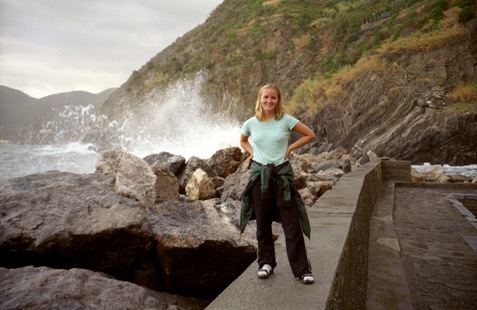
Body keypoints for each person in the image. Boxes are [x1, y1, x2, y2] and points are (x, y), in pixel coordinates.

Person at [239, 83, 316, 284]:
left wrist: (290, 147)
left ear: (278, 100)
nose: (269, 101)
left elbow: (310, 134)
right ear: (260, 99)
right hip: (259, 177)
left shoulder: (287, 121)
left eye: (273, 98)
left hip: (282, 176)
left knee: (292, 224)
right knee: (262, 222)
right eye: (265, 97)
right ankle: (265, 263)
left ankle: (302, 270)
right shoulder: (250, 123)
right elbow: (243, 141)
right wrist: (253, 153)